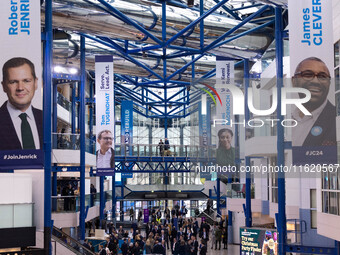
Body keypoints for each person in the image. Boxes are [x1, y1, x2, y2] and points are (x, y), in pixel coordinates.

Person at [291, 57, 336, 147]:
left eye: (322, 76)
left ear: (329, 83)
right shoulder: (286, 120)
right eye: (308, 75)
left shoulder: (335, 119)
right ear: (294, 81)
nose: (316, 81)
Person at [0, 57, 43, 150]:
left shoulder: (46, 120)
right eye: (13, 82)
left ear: (35, 83)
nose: (20, 88)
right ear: (4, 86)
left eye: (26, 81)